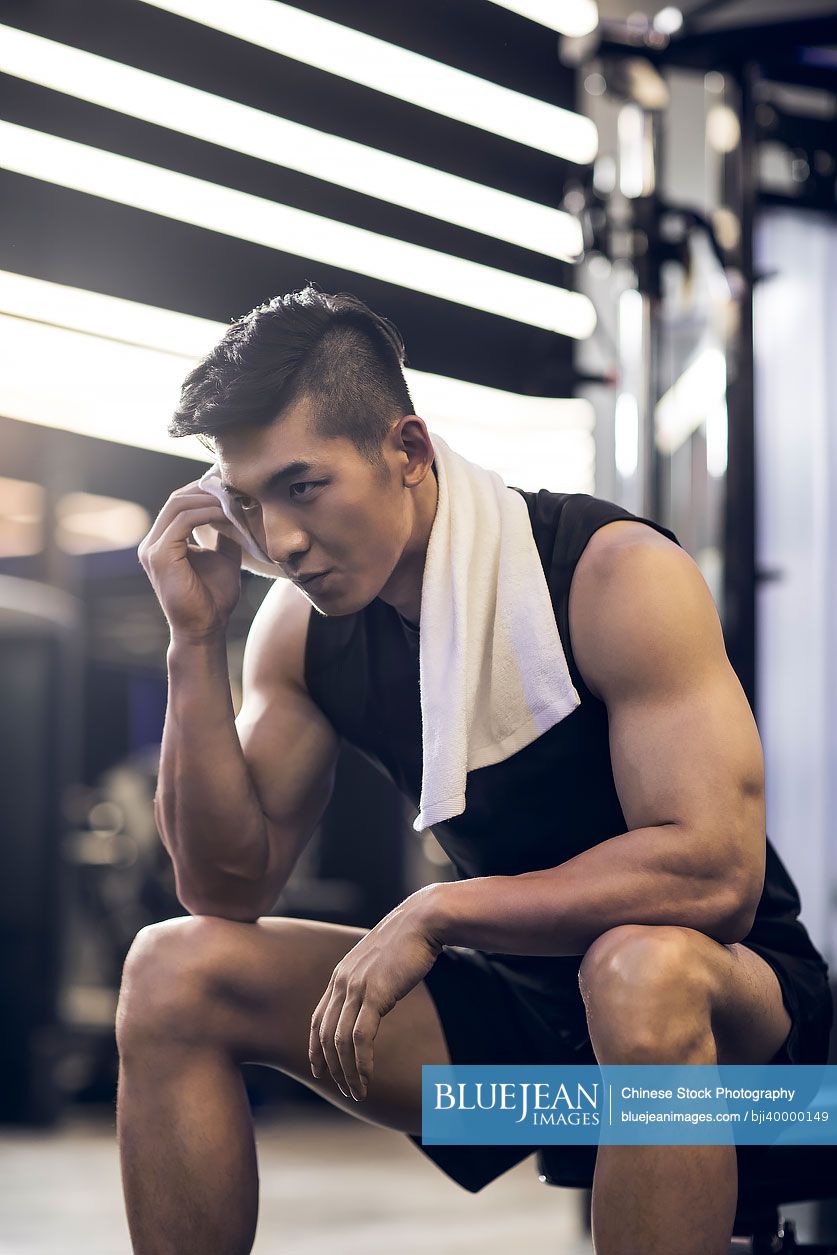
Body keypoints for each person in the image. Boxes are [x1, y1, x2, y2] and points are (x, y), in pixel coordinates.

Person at [118, 283, 832, 1255]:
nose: (279, 543)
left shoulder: (612, 572)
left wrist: (440, 911)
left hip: (758, 1058)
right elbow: (223, 888)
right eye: (247, 504)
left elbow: (714, 874)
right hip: (530, 1060)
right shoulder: (301, 629)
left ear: (406, 450)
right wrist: (193, 644)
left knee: (641, 968)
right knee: (172, 968)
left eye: (303, 486)